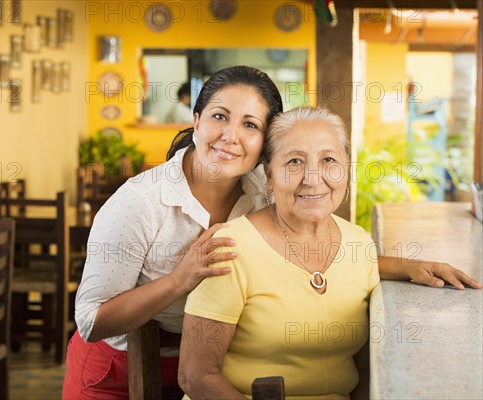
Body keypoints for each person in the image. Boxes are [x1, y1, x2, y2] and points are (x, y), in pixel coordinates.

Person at [63, 67, 481, 400]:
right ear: (195, 121)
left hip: (210, 364)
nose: (231, 136)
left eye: (250, 124)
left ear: (264, 146)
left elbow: (313, 253)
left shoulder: (265, 189)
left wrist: (410, 266)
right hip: (115, 368)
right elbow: (90, 321)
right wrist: (180, 279)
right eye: (219, 117)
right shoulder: (139, 201)